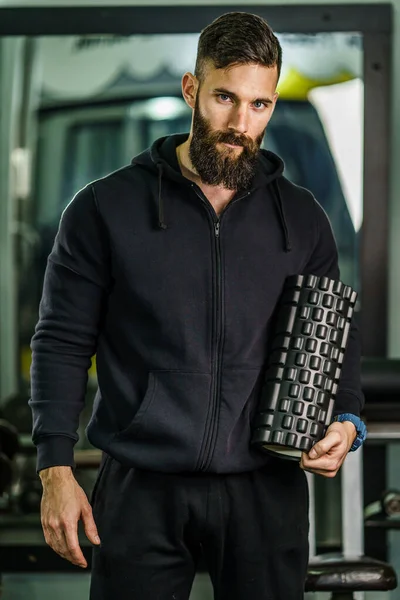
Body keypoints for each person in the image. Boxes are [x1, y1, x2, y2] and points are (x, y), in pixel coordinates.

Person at [30, 11, 366, 600]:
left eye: (259, 105)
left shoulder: (304, 217)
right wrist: (55, 466)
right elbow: (60, 339)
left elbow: (336, 339)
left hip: (266, 488)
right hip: (142, 485)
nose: (241, 123)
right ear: (191, 88)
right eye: (224, 98)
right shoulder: (103, 209)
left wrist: (347, 420)